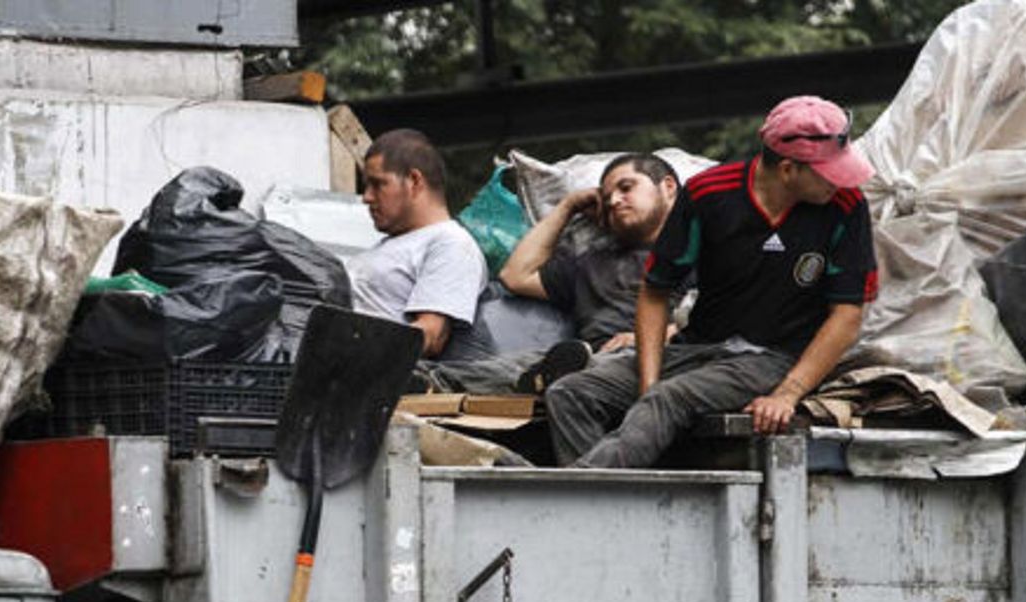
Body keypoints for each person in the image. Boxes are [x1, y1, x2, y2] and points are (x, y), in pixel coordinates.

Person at [545, 96, 878, 467]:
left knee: (668, 399)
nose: (842, 181)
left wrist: (788, 394)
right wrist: (647, 383)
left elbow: (846, 317)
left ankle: (571, 495)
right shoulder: (708, 194)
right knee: (570, 392)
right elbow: (655, 294)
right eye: (831, 171)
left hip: (776, 358)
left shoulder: (847, 207)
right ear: (787, 169)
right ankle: (605, 510)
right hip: (699, 347)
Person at [500, 152, 681, 359]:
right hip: (591, 361)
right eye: (605, 199)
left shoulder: (702, 251)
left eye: (626, 188)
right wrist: (569, 206)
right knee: (468, 375)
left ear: (668, 187)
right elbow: (514, 276)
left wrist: (651, 338)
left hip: (668, 358)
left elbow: (723, 319)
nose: (613, 201)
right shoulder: (590, 264)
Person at [346, 128, 488, 359]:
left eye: (377, 184)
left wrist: (355, 348)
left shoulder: (450, 243)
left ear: (414, 181)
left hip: (369, 381)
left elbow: (431, 335)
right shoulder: (391, 244)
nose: (366, 197)